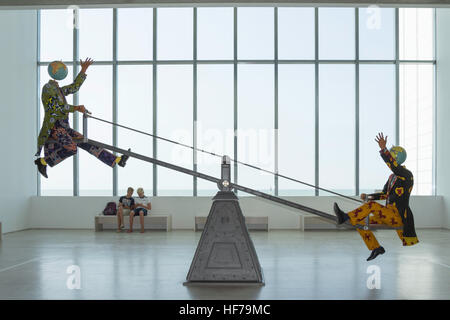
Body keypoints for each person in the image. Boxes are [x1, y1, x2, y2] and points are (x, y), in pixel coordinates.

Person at [34, 58, 130, 178]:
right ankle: (42, 162)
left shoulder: (59, 90)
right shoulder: (47, 88)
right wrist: (77, 108)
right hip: (54, 127)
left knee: (87, 142)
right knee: (72, 148)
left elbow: (73, 87)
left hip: (65, 127)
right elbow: (56, 108)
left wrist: (83, 70)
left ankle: (116, 160)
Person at [333, 132, 419, 261]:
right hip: (387, 214)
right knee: (360, 223)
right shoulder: (392, 177)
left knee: (371, 207)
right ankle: (376, 248)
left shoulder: (406, 175)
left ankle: (345, 216)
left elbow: (395, 168)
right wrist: (368, 196)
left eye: (391, 154)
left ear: (395, 158)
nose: (390, 155)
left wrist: (383, 150)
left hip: (397, 216)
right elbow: (384, 194)